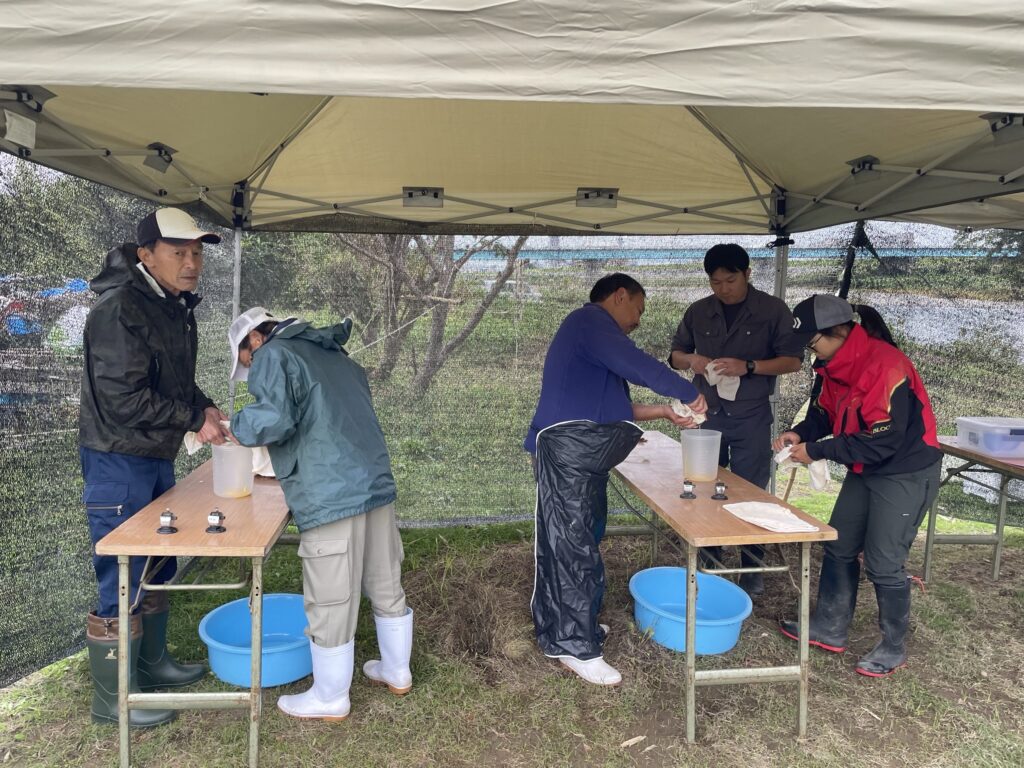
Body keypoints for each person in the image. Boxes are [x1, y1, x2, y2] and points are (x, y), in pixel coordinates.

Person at [79, 207, 230, 726]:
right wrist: (192, 418)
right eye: (179, 252)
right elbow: (123, 400)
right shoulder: (119, 308)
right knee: (123, 571)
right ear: (146, 255)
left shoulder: (170, 305)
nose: (192, 263)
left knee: (158, 562)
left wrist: (204, 406)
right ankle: (114, 699)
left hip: (154, 454)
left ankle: (152, 664)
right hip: (118, 457)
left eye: (197, 253)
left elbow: (174, 381)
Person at [229, 307, 410, 721]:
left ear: (255, 339)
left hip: (330, 490)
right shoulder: (331, 352)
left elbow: (274, 418)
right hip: (373, 481)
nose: (251, 368)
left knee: (330, 597)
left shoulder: (274, 354)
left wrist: (234, 426)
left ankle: (330, 696)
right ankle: (397, 670)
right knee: (385, 580)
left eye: (246, 361)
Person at [525, 273, 707, 686]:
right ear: (620, 296)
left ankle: (576, 626)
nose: (638, 321)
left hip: (582, 458)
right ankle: (573, 646)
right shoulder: (589, 322)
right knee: (570, 547)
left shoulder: (593, 346)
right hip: (567, 455)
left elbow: (614, 406)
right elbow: (637, 364)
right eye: (638, 310)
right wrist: (688, 393)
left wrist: (665, 412)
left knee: (582, 540)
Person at [775, 295, 941, 677]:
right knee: (839, 545)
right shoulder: (831, 366)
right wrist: (799, 433)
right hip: (866, 468)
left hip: (904, 471)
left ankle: (893, 646)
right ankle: (829, 626)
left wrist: (816, 450)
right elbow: (824, 414)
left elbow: (883, 440)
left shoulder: (886, 366)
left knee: (884, 562)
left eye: (812, 343)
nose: (811, 353)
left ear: (839, 331)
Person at [668, 244, 803, 596]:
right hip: (706, 414)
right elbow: (675, 355)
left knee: (751, 491)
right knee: (702, 486)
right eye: (716, 282)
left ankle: (751, 566)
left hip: (750, 417)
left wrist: (750, 366)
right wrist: (693, 361)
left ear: (747, 274)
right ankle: (709, 559)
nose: (723, 289)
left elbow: (793, 361)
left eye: (730, 280)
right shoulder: (699, 311)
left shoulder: (772, 310)